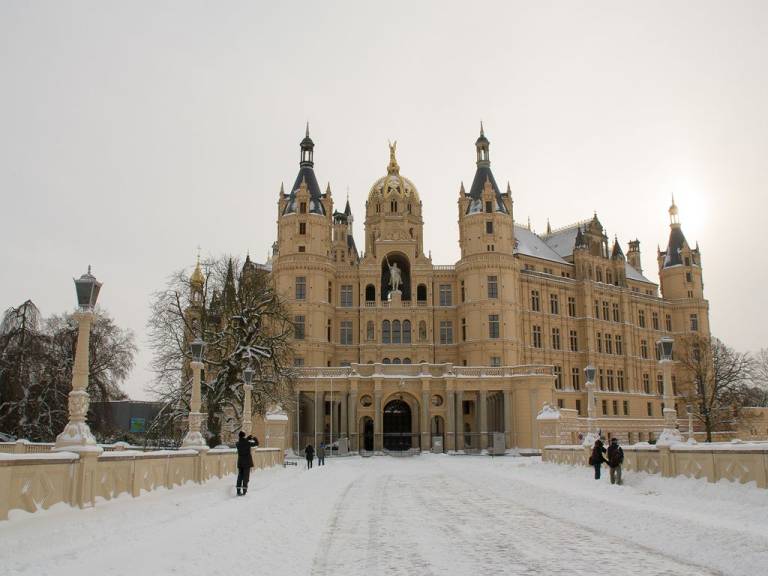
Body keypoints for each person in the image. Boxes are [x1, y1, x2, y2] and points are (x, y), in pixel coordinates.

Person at [236, 431, 259, 496]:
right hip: (246, 463)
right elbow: (256, 443)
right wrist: (254, 438)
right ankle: (244, 491)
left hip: (240, 463)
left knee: (240, 476)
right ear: (244, 436)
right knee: (245, 477)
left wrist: (247, 439)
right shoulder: (247, 443)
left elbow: (242, 442)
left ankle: (238, 491)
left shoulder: (237, 443)